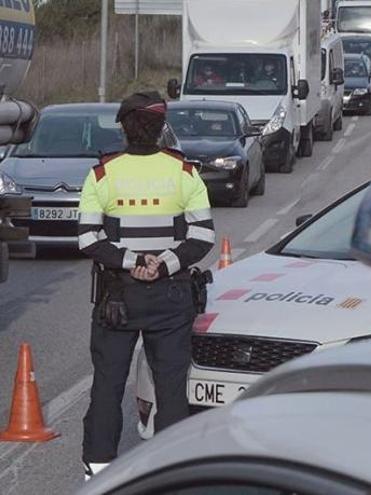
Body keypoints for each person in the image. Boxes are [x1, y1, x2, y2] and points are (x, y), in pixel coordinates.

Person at [78, 92, 215, 480]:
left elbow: (88, 239)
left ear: (124, 127)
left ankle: (99, 472)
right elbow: (203, 236)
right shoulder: (184, 172)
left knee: (107, 386)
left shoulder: (102, 174)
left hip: (117, 297)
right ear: (161, 129)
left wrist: (132, 262)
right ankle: (171, 473)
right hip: (171, 295)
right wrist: (163, 264)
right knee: (171, 388)